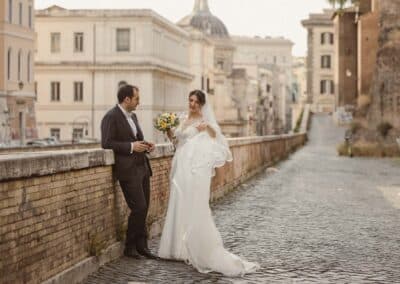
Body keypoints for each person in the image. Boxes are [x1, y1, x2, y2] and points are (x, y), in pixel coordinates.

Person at [158, 90, 259, 275]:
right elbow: (176, 141)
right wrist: (168, 130)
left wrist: (207, 128)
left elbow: (216, 137)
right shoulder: (181, 118)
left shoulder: (204, 120)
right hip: (180, 167)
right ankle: (175, 248)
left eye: (196, 101)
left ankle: (193, 247)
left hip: (193, 170)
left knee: (193, 205)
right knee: (178, 203)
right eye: (190, 100)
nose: (192, 104)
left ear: (202, 104)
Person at [101, 84, 158, 259]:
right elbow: (107, 143)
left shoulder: (133, 116)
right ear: (127, 99)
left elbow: (136, 139)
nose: (138, 103)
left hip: (142, 167)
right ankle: (130, 246)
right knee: (138, 207)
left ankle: (142, 246)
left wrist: (145, 144)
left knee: (145, 207)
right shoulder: (111, 117)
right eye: (136, 99)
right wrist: (132, 147)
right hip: (127, 170)